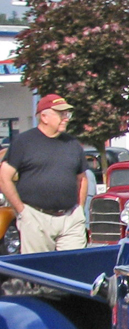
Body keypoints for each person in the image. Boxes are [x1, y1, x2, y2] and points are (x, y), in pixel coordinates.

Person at [0, 95, 89, 253]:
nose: (66, 119)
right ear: (44, 117)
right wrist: (22, 211)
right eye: (61, 114)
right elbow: (4, 177)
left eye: (67, 114)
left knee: (73, 267)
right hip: (35, 218)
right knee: (39, 272)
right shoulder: (24, 142)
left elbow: (82, 179)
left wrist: (79, 210)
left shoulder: (72, 144)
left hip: (70, 219)